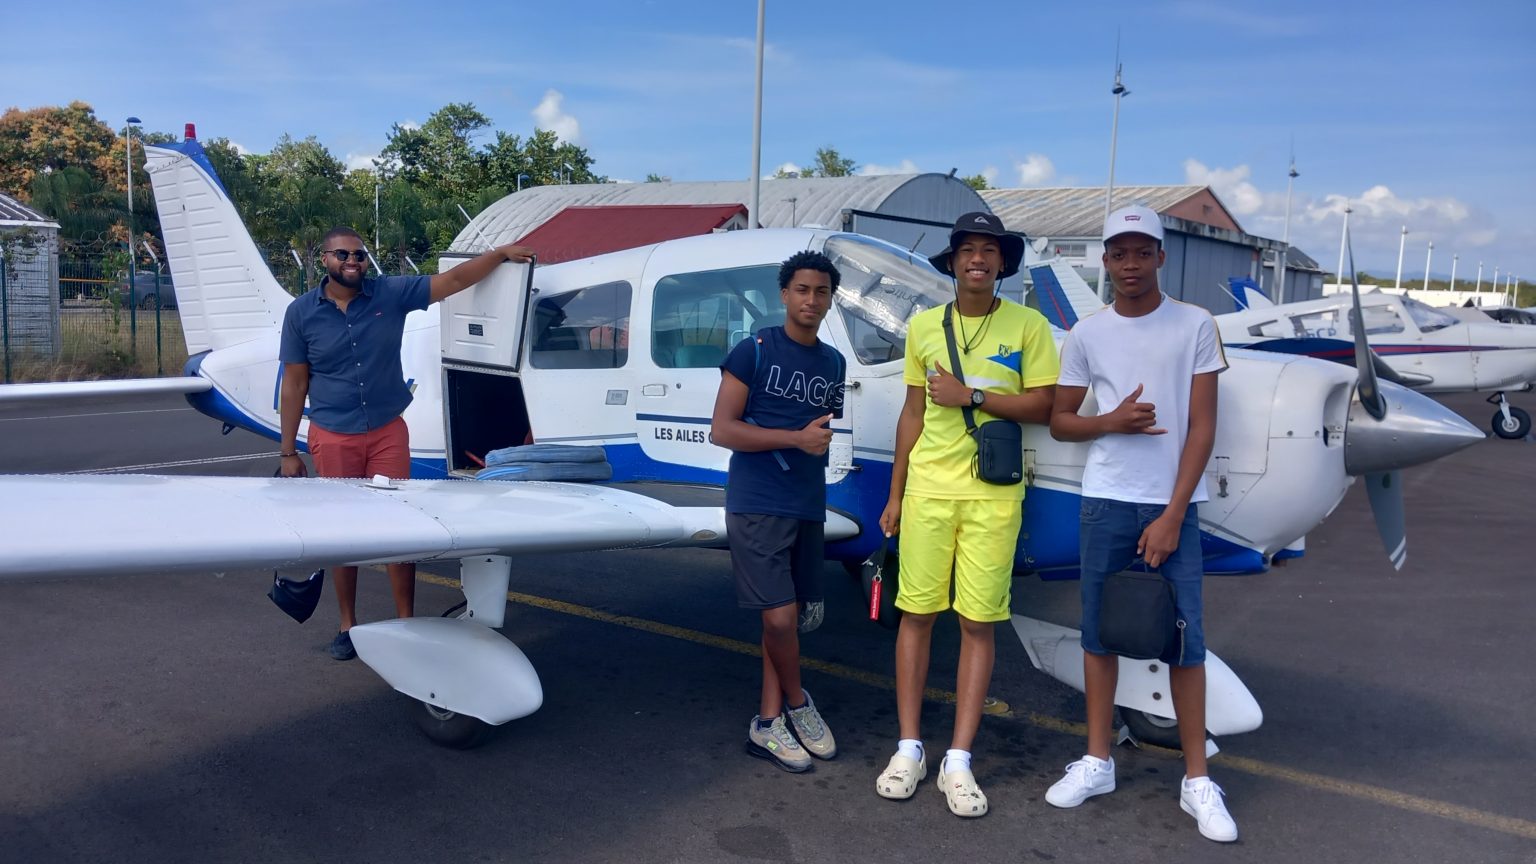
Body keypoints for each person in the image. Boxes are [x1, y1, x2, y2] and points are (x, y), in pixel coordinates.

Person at [1043, 205, 1236, 842]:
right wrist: (1111, 422)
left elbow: (1203, 426)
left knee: (1186, 642)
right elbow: (1062, 422)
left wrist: (1174, 513)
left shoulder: (1195, 324)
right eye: (1119, 253)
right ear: (1105, 261)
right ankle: (1097, 760)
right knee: (1098, 634)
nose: (1130, 264)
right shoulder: (1087, 334)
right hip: (1105, 500)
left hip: (1173, 505)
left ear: (1160, 256)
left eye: (1142, 252)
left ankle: (1197, 779)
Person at [278, 227, 534, 661]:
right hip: (333, 433)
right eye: (343, 254)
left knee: (401, 529)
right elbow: (295, 382)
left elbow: (453, 281)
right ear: (324, 260)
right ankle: (347, 625)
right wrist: (288, 452)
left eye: (360, 254)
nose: (353, 261)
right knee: (341, 535)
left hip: (386, 432)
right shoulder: (301, 313)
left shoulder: (390, 294)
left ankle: (406, 622)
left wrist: (499, 254)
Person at [875, 212, 1058, 816]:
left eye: (989, 250)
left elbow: (1044, 405)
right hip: (928, 490)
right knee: (916, 615)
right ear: (952, 261)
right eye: (967, 249)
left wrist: (973, 396)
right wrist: (896, 494)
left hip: (993, 495)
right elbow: (912, 413)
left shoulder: (1029, 325)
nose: (978, 258)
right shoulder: (924, 326)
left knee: (978, 622)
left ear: (1002, 264)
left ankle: (958, 759)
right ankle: (909, 748)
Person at [709, 250, 846, 773]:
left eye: (822, 292)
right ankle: (798, 702)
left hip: (807, 502)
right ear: (785, 294)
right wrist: (794, 439)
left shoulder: (834, 363)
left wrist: (810, 448)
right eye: (802, 290)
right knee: (780, 615)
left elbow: (821, 435)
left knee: (786, 618)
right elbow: (723, 430)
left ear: (830, 300)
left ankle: (767, 724)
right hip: (758, 501)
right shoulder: (754, 351)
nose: (812, 300)